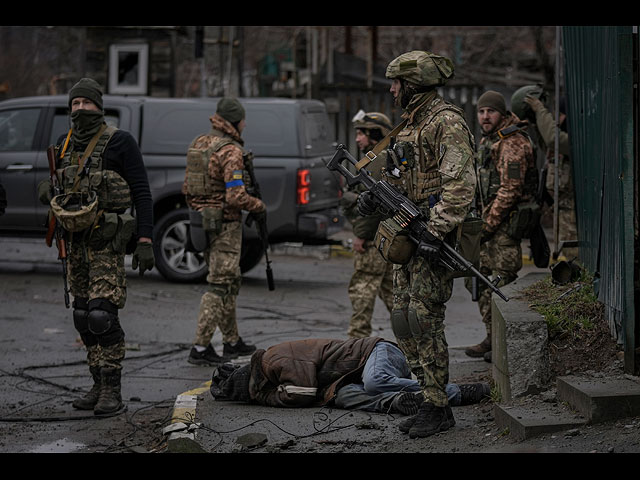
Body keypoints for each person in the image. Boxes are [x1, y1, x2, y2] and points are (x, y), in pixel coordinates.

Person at [356, 51, 477, 438]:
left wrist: (435, 231)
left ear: (413, 85)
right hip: (406, 235)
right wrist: (376, 197)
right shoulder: (410, 125)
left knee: (425, 319)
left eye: (396, 83)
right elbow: (399, 177)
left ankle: (439, 405)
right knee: (402, 318)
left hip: (430, 238)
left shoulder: (446, 122)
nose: (391, 90)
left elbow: (460, 187)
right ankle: (428, 396)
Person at [37, 78, 155, 415]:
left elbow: (142, 193)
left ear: (99, 107)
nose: (79, 110)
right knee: (83, 317)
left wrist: (145, 239)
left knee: (103, 315)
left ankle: (112, 389)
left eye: (86, 104)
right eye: (74, 104)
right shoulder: (63, 144)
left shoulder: (120, 142)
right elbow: (59, 187)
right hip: (74, 245)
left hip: (106, 242)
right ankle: (96, 383)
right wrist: (48, 188)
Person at [183, 97, 265, 366]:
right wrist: (258, 206)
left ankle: (231, 341)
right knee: (219, 285)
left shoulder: (198, 143)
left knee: (230, 280)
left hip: (201, 223)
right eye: (243, 121)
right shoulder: (231, 151)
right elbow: (236, 197)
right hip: (226, 227)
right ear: (236, 122)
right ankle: (200, 346)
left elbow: (189, 187)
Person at [211, 337, 490, 416]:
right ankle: (400, 402)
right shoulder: (271, 370)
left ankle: (455, 392)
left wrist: (265, 398)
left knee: (374, 382)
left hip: (376, 352)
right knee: (342, 397)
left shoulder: (274, 358)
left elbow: (301, 394)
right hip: (351, 377)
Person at [464, 90, 536, 362]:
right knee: (482, 281)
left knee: (501, 284)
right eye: (481, 111)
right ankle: (492, 337)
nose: (485, 116)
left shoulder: (513, 143)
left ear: (502, 114)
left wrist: (487, 226)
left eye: (490, 111)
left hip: (504, 228)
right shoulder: (490, 140)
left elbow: (510, 191)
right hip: (488, 227)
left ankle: (506, 344)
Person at [340, 110, 394, 338]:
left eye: (361, 133)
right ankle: (413, 338)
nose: (357, 138)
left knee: (362, 288)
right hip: (388, 238)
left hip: (373, 240)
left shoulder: (375, 161)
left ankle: (357, 341)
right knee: (393, 292)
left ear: (374, 134)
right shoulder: (383, 158)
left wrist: (360, 236)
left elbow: (371, 208)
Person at [513, 86, 577, 260]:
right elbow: (547, 144)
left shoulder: (572, 140)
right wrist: (534, 122)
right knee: (566, 249)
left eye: (560, 115)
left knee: (573, 253)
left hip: (571, 208)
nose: (557, 120)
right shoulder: (561, 143)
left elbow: (552, 139)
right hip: (560, 207)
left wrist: (540, 110)